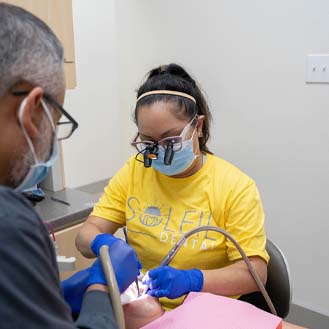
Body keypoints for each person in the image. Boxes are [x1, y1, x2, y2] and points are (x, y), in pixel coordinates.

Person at [76, 62, 270, 310]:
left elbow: (255, 274)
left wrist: (192, 280)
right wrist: (103, 243)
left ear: (198, 127)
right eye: (148, 143)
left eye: (170, 140)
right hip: (143, 305)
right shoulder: (135, 171)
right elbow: (85, 236)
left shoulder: (234, 186)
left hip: (206, 310)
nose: (159, 153)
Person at [0, 3, 140, 329]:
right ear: (33, 108)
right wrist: (100, 289)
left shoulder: (233, 183)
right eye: (57, 122)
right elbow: (88, 234)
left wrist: (48, 296)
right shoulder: (9, 221)